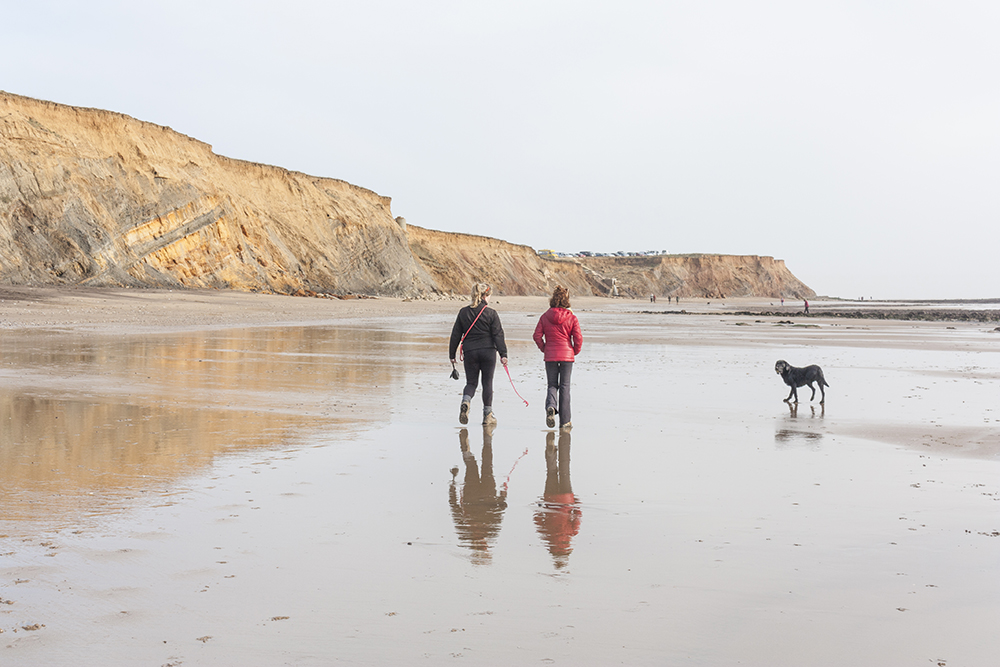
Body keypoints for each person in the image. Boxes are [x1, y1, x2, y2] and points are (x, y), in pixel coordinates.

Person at [449, 282, 508, 426]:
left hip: (470, 352)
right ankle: (488, 416)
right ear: (485, 296)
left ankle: (466, 401)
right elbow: (498, 335)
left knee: (471, 383)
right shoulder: (491, 313)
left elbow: (455, 334)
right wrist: (503, 354)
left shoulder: (463, 312)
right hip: (488, 352)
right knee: (487, 383)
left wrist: (452, 354)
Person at [533, 285, 583, 429]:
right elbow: (578, 338)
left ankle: (551, 406)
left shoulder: (545, 316)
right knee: (565, 387)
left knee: (552, 384)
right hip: (567, 355)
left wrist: (544, 348)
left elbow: (536, 336)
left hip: (550, 356)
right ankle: (565, 421)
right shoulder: (572, 317)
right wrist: (575, 351)